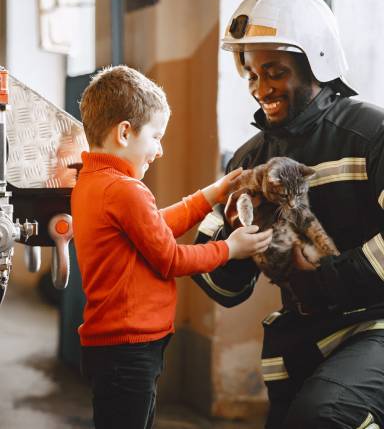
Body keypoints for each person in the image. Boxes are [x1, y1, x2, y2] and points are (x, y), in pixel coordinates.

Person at [193, 0, 384, 429]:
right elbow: (223, 286)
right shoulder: (247, 161)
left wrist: (329, 278)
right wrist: (237, 238)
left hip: (376, 328)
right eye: (253, 75)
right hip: (300, 342)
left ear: (315, 62)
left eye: (275, 71)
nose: (261, 88)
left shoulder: (371, 133)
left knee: (324, 417)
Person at [71, 65, 273, 429]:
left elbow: (155, 228)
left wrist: (211, 193)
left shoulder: (93, 181)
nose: (160, 150)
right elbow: (169, 257)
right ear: (124, 132)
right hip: (129, 348)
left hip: (114, 345)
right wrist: (230, 248)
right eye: (155, 136)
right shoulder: (125, 190)